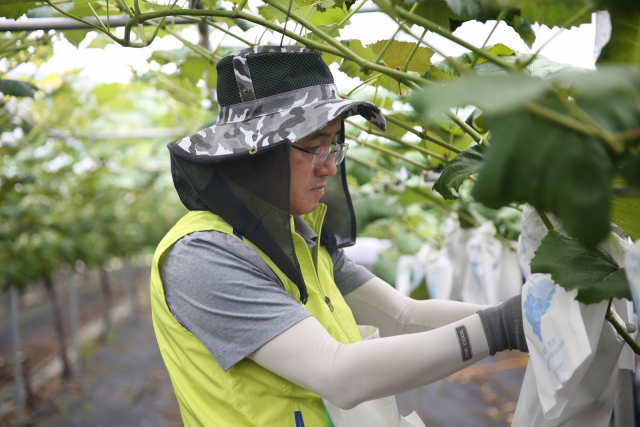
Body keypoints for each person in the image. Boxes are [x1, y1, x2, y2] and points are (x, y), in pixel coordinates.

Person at [150, 45, 528, 427]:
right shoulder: (203, 254)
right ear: (256, 153)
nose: (329, 166)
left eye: (333, 145)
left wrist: (524, 318)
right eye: (314, 148)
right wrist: (499, 329)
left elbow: (403, 317)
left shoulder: (300, 237)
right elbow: (338, 374)